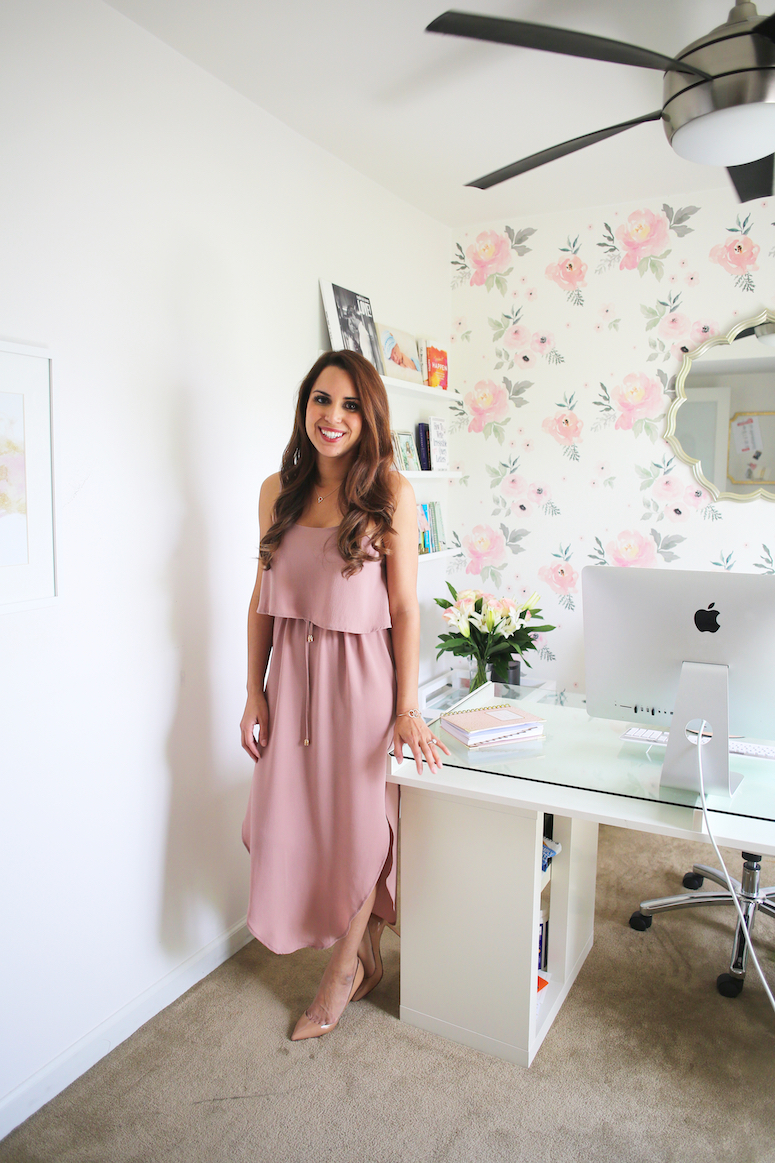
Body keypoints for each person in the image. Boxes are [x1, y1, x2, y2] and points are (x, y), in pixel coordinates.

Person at [240, 349, 449, 1042]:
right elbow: (262, 599)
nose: (333, 417)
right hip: (291, 684)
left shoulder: (390, 491)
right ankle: (364, 954)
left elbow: (405, 608)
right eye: (322, 400)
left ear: (370, 417)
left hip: (362, 682)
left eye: (351, 405)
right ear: (305, 407)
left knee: (359, 829)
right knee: (291, 823)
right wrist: (254, 690)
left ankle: (340, 974)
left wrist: (407, 706)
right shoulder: (278, 489)